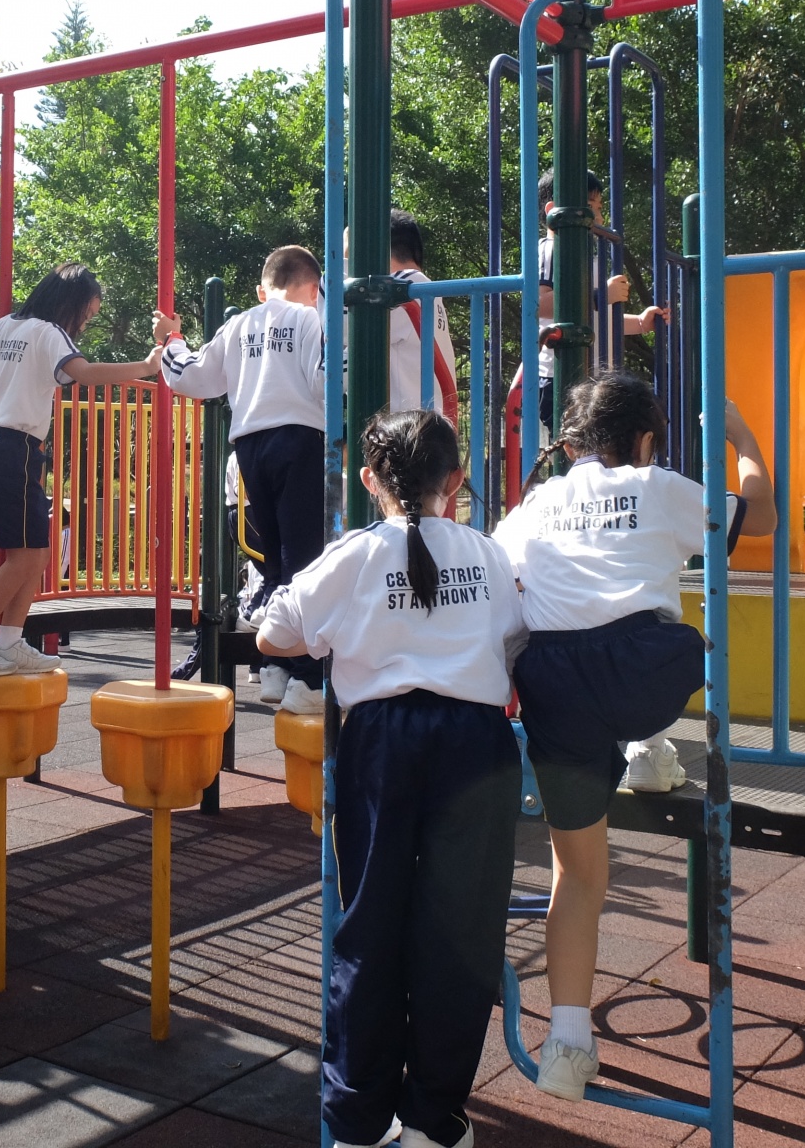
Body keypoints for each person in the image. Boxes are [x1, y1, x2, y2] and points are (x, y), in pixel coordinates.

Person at [491, 370, 775, 1102]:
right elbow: (762, 517)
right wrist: (739, 436)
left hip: (555, 689)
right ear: (645, 442)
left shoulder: (535, 504)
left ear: (571, 446)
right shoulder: (659, 485)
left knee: (578, 873)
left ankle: (566, 1044)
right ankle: (649, 746)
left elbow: (500, 581)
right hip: (640, 679)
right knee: (683, 640)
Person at [257, 410, 523, 1148]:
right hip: (474, 743)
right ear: (455, 481)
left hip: (381, 742)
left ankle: (357, 1119)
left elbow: (274, 633)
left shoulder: (355, 553)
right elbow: (515, 639)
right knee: (461, 933)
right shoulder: (486, 553)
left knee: (370, 922)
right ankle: (434, 1119)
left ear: (369, 479)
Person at [0, 264, 162, 674]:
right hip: (14, 448)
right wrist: (146, 366)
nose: (86, 322)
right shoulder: (50, 333)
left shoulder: (5, 325)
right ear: (72, 304)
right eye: (88, 313)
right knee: (25, 556)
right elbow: (84, 375)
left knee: (36, 552)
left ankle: (10, 641)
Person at [155, 245, 328, 713]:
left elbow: (194, 378)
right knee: (305, 558)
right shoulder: (311, 319)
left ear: (261, 289)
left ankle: (274, 663)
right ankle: (308, 677)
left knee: (273, 560)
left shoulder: (238, 325)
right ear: (315, 288)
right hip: (301, 438)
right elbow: (324, 382)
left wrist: (172, 340)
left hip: (250, 445)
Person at [534, 170, 664, 430]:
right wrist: (599, 295)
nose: (600, 217)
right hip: (561, 375)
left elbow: (597, 318)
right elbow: (539, 305)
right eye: (590, 207)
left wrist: (640, 323)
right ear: (553, 211)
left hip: (595, 375)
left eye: (599, 208)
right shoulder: (551, 250)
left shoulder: (589, 259)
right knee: (578, 443)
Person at [385, 210, 458, 421]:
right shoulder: (425, 288)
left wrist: (345, 258)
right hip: (427, 421)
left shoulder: (405, 285)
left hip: (408, 426)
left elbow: (345, 330)